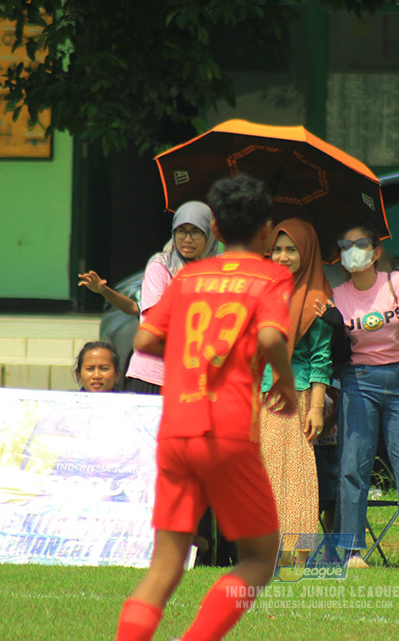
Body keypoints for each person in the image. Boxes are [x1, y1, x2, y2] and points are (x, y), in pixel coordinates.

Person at [115, 174, 297, 641]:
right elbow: (272, 335)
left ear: (213, 227)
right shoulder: (272, 275)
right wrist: (286, 381)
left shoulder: (190, 276)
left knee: (165, 567)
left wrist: (194, 351)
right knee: (259, 558)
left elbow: (144, 338)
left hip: (177, 430)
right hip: (228, 430)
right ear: (266, 231)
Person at [314, 224, 399, 570]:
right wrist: (334, 325)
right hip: (358, 382)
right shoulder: (338, 294)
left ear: (376, 252)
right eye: (345, 245)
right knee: (352, 468)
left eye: (360, 244)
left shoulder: (397, 282)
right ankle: (351, 551)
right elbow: (342, 356)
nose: (351, 251)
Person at [78, 201, 218, 393]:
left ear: (209, 235)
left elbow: (136, 308)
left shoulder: (217, 272)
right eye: (181, 231)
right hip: (152, 376)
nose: (187, 239)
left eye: (196, 232)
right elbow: (156, 319)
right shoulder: (161, 266)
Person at [259, 218, 332, 536]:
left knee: (292, 473)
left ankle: (293, 548)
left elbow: (321, 358)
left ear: (307, 252)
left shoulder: (316, 296)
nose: (283, 257)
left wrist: (316, 408)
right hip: (258, 395)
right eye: (276, 249)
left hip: (295, 396)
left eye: (292, 250)